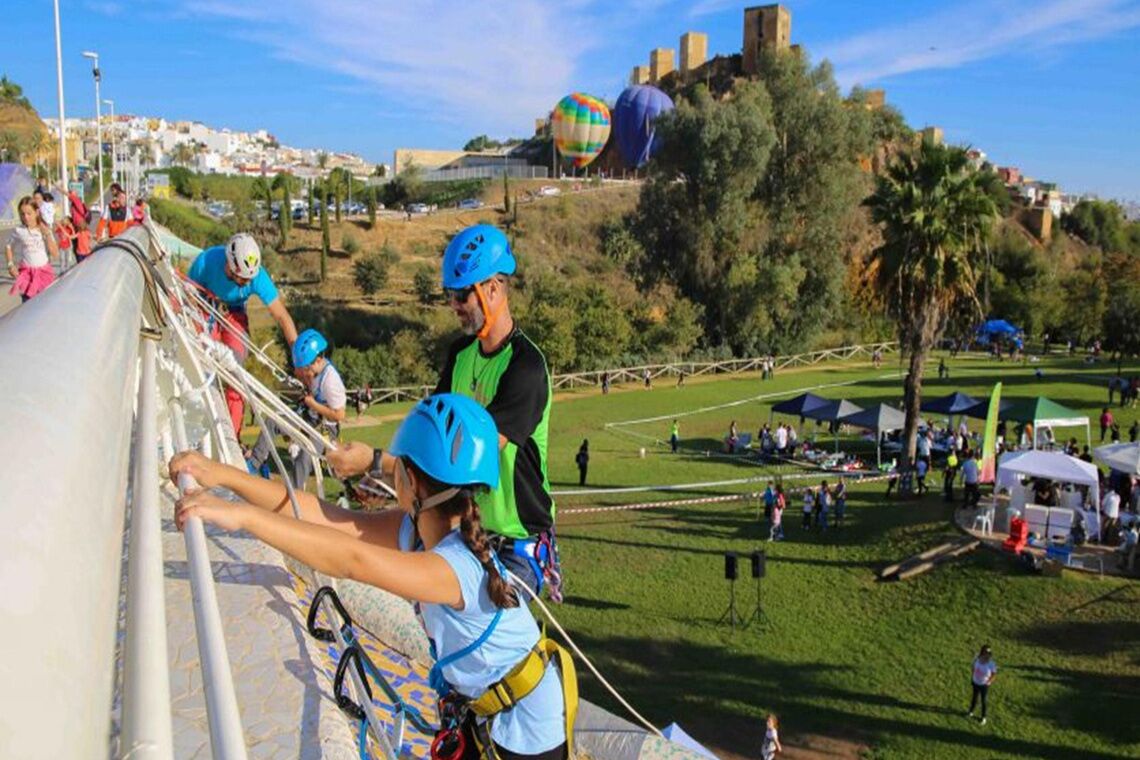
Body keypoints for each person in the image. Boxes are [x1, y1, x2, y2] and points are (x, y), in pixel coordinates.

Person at [171, 394, 576, 759]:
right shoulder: (421, 534)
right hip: (497, 711)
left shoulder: (451, 567)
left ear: (410, 481)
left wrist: (242, 518)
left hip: (523, 734)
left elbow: (350, 560)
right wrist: (222, 476)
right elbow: (322, 517)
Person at [327, 225, 560, 598]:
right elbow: (431, 435)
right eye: (449, 295)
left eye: (461, 294)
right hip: (461, 522)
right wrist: (395, 480)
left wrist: (376, 462)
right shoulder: (460, 355)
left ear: (494, 289)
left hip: (515, 540)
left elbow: (469, 455)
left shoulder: (526, 368)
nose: (453, 305)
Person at [187, 233, 299, 433]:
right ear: (230, 265)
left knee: (235, 372)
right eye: (243, 278)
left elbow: (282, 317)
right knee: (203, 360)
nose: (247, 283)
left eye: (249, 279)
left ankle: (233, 434)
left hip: (234, 314)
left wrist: (299, 358)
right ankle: (200, 420)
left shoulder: (257, 277)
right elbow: (187, 294)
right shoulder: (206, 261)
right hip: (204, 306)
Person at [250, 329, 345, 489]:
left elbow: (339, 415)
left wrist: (312, 404)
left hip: (326, 429)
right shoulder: (316, 371)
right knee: (273, 422)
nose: (305, 372)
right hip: (310, 417)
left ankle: (294, 494)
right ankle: (253, 464)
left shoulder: (331, 381)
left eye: (307, 367)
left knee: (306, 456)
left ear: (319, 358)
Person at [5, 196, 58, 303]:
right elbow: (8, 246)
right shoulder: (19, 230)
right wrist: (10, 264)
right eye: (22, 214)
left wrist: (47, 234)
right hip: (27, 275)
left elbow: (55, 253)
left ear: (37, 212)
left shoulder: (45, 229)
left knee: (46, 304)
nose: (26, 217)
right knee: (28, 304)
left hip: (43, 273)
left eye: (29, 213)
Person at [967, 645, 997, 725]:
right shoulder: (977, 658)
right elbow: (973, 666)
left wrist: (989, 681)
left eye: (989, 654)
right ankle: (971, 711)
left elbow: (994, 674)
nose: (988, 655)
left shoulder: (991, 664)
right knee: (974, 698)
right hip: (975, 682)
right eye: (986, 653)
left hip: (984, 685)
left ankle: (984, 717)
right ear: (982, 653)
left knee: (983, 701)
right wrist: (973, 675)